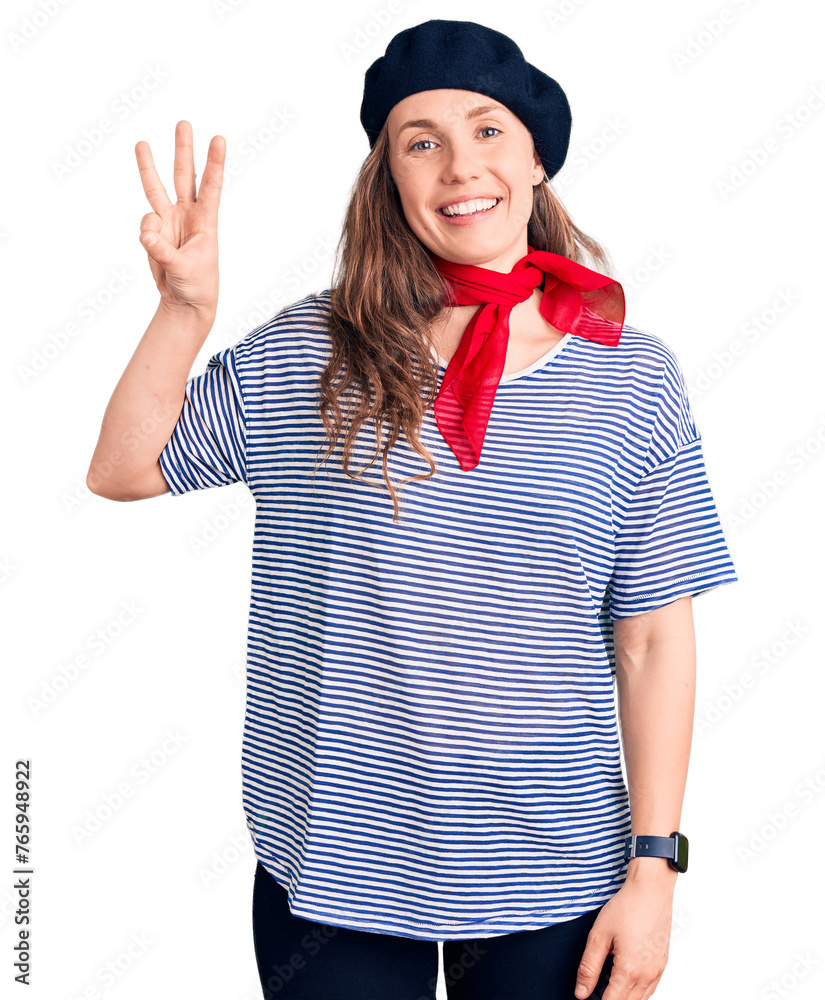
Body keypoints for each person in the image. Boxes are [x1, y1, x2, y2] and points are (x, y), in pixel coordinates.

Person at [86, 18, 739, 1000]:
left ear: (536, 159)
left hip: (554, 870)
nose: (458, 165)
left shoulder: (631, 379)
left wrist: (656, 866)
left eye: (487, 131)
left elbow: (651, 634)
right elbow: (125, 467)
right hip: (334, 864)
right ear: (388, 177)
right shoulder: (316, 351)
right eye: (420, 141)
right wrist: (183, 311)